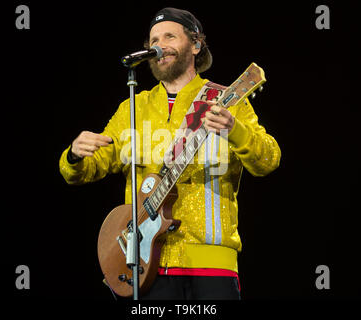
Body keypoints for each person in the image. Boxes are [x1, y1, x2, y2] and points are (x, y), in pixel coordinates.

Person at [59, 7, 281, 300]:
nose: (158, 45)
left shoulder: (226, 101)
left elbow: (269, 160)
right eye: (153, 39)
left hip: (210, 265)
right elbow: (89, 168)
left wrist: (235, 129)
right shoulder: (133, 107)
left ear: (196, 45)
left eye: (169, 36)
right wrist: (73, 156)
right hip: (143, 264)